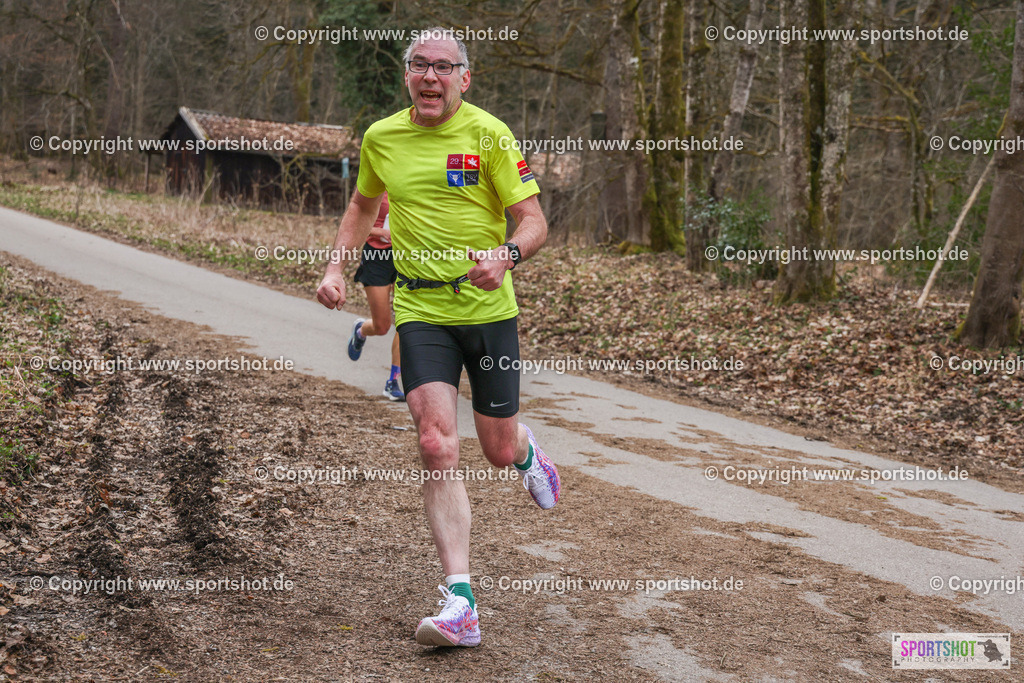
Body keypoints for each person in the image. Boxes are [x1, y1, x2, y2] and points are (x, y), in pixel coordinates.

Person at [316, 27, 560, 648]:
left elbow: (533, 221)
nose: (430, 77)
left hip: (488, 308)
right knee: (434, 443)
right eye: (420, 65)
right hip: (421, 306)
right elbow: (362, 206)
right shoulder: (382, 137)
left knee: (497, 449)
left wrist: (505, 255)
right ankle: (461, 601)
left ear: (464, 78)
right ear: (406, 76)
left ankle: (527, 450)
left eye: (443, 67)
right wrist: (335, 266)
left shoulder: (490, 135)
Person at [347, 192, 404, 401]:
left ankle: (393, 381)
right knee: (382, 326)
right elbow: (354, 223)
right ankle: (361, 329)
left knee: (406, 320)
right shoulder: (375, 182)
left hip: (406, 256)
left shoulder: (414, 177)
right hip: (376, 256)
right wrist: (380, 231)